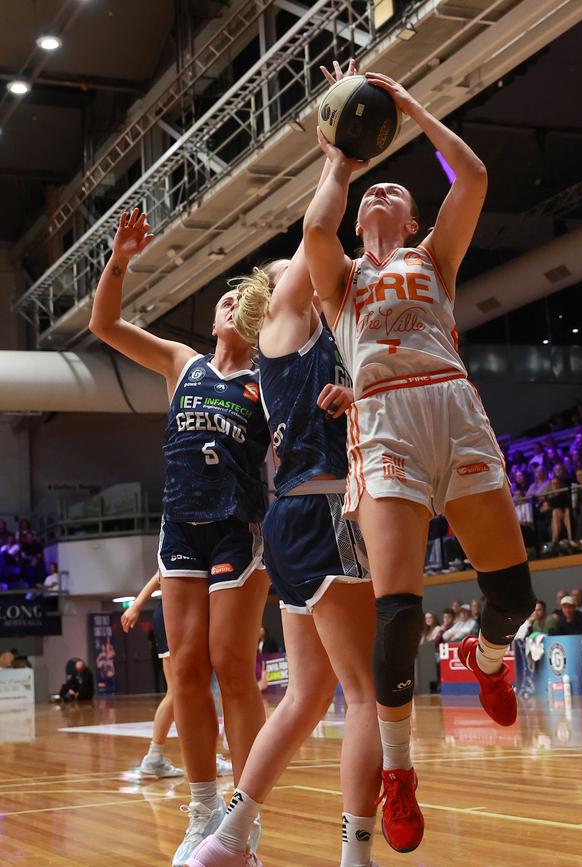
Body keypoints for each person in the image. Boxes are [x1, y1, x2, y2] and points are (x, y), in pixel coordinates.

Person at [304, 69, 535, 853]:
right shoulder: (341, 283)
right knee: (398, 607)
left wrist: (411, 110)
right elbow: (311, 234)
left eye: (393, 193)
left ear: (411, 218)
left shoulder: (436, 258)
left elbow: (470, 175)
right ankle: (399, 773)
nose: (380, 196)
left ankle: (488, 654)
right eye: (374, 192)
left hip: (454, 407)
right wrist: (340, 160)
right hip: (387, 420)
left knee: (514, 591)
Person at [189, 63, 382, 866]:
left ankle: (227, 837)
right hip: (329, 510)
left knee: (306, 694)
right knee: (367, 692)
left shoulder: (287, 342)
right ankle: (355, 855)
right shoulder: (292, 315)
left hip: (291, 522)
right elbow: (316, 230)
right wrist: (336, 152)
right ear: (283, 291)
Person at [89, 209, 270, 866]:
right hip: (180, 526)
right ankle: (202, 806)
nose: (227, 302)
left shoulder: (266, 381)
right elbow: (103, 325)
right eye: (222, 298)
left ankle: (244, 815)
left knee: (232, 665)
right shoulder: (182, 362)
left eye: (238, 299)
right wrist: (120, 261)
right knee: (186, 667)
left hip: (239, 527)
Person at [121, 571, 184, 779]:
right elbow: (160, 574)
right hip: (175, 612)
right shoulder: (183, 543)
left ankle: (155, 757)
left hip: (176, 611)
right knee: (178, 693)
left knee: (181, 694)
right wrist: (136, 605)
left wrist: (136, 606)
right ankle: (154, 757)